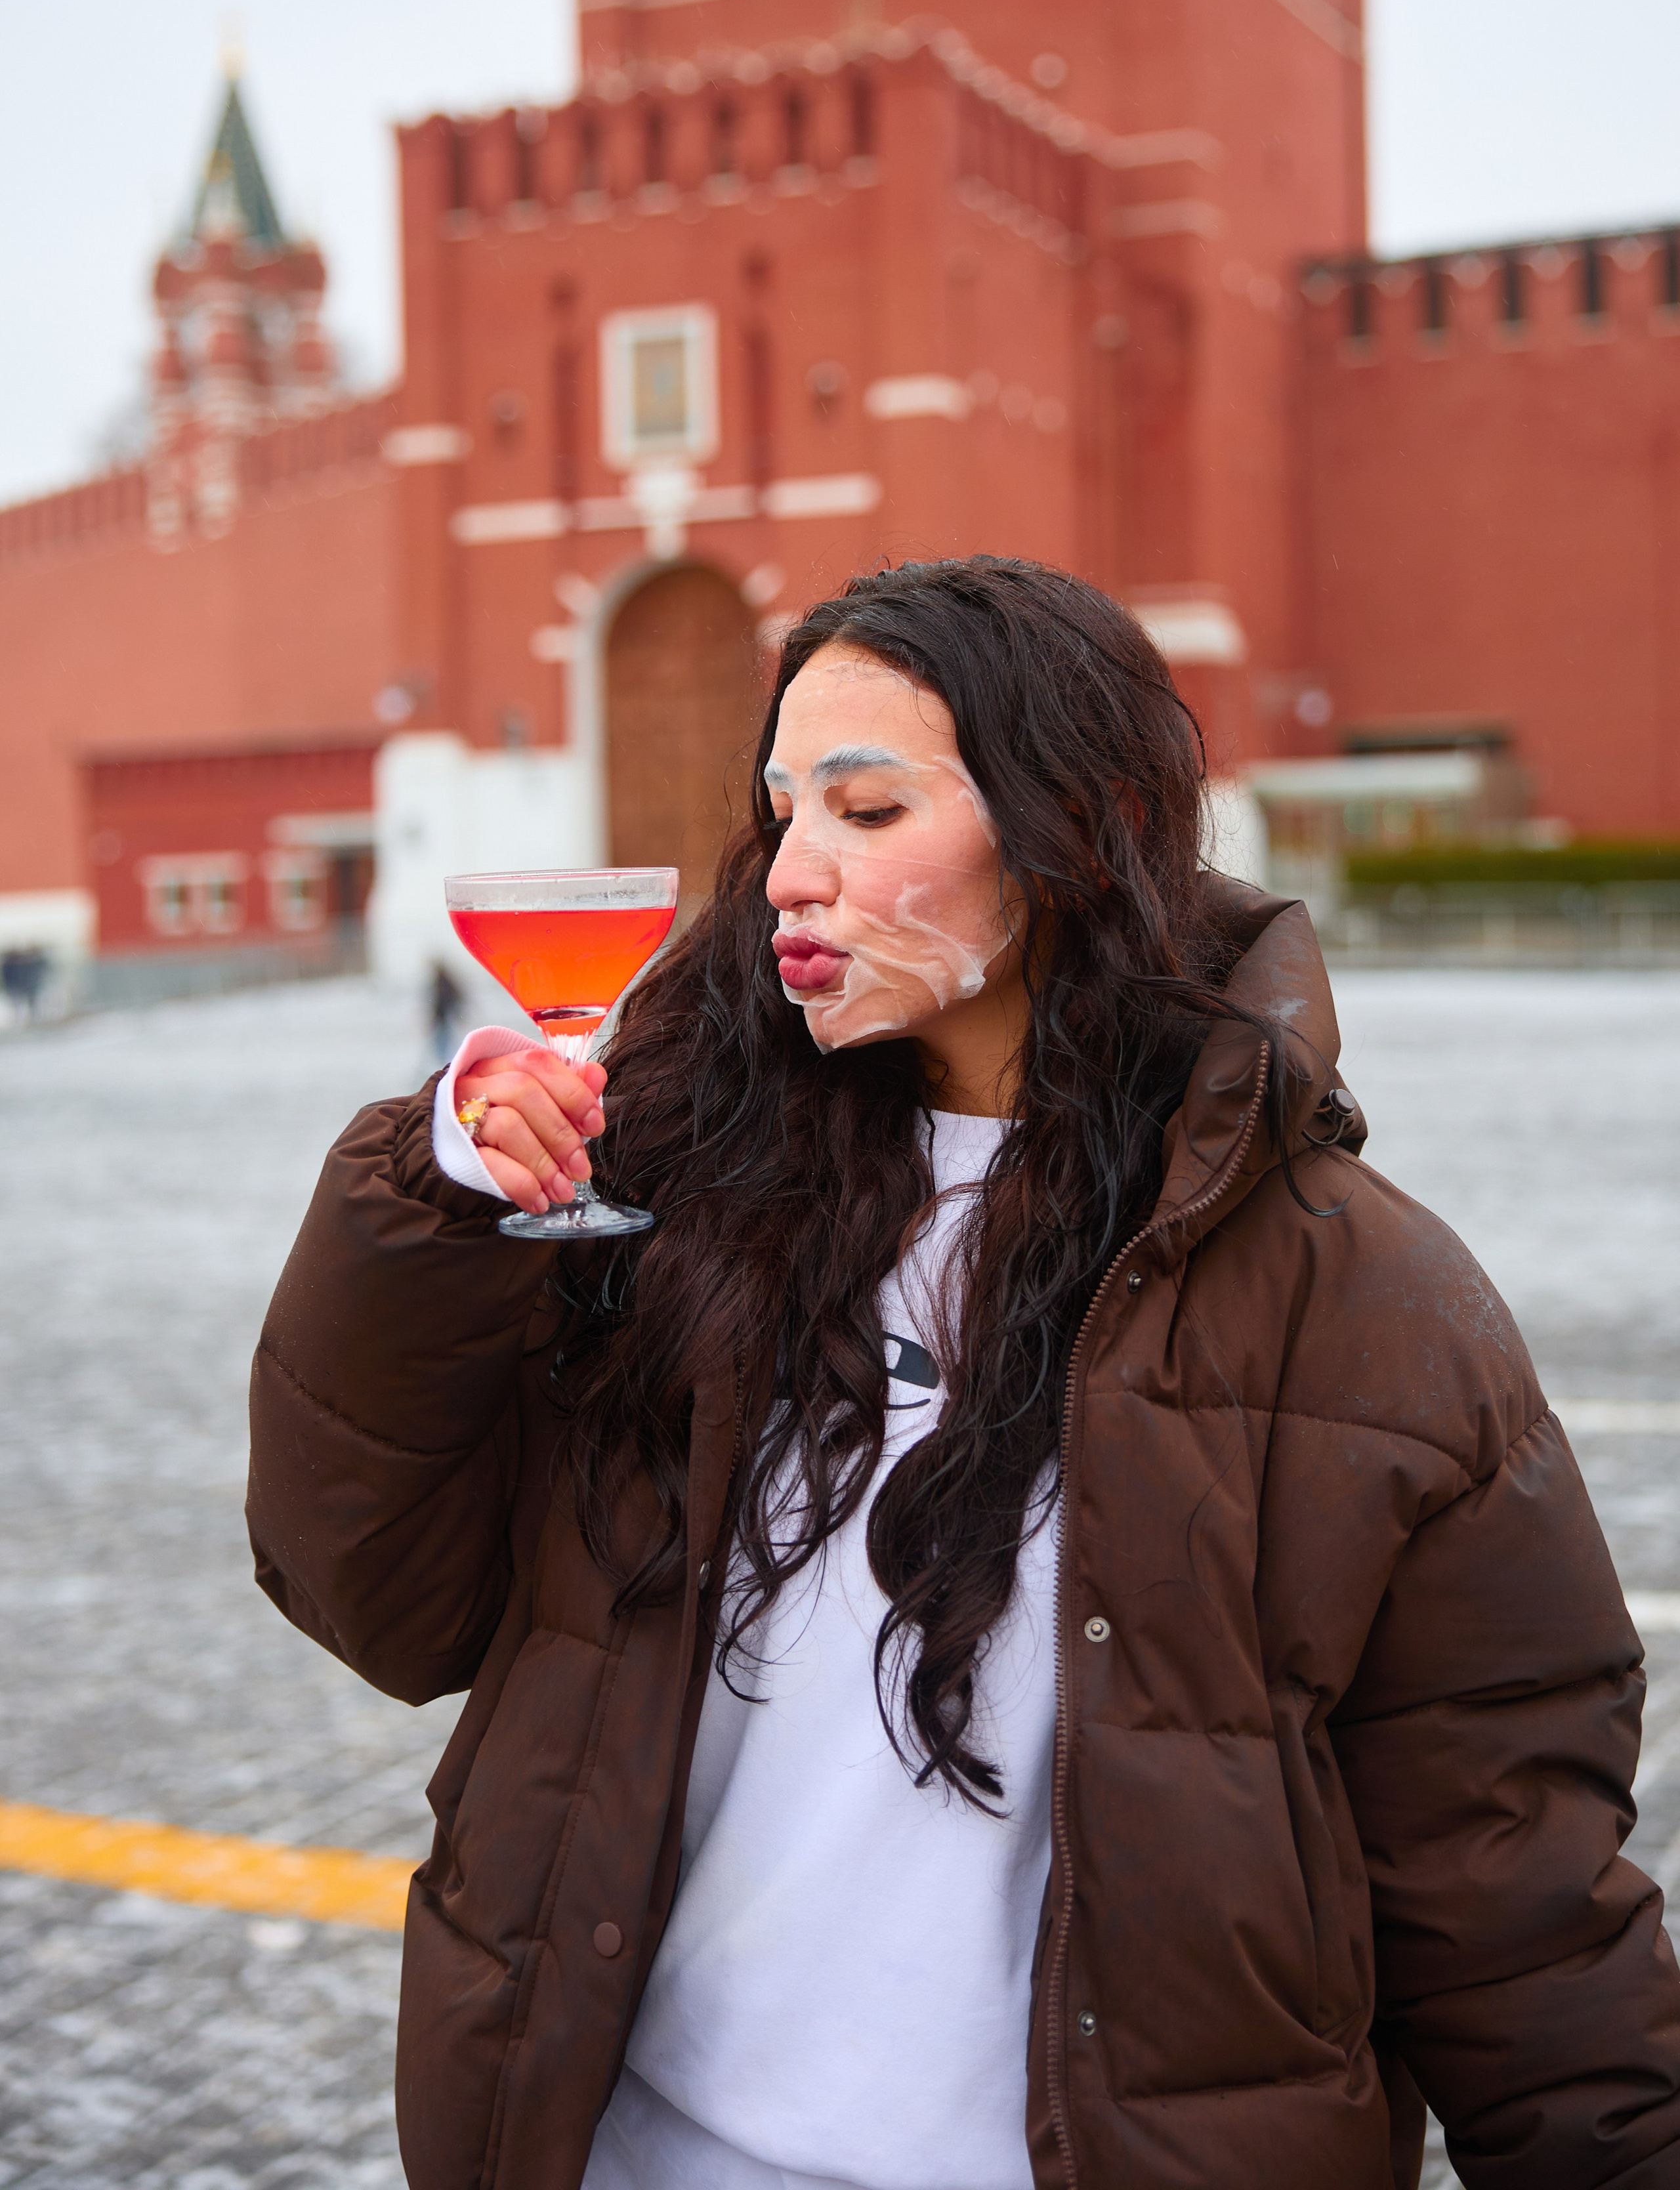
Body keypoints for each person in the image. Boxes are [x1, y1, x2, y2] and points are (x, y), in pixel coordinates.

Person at [248, 558, 1680, 2190]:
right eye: (780, 809)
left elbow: (1510, 1905)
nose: (789, 871)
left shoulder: (1356, 1301)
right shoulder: (668, 1203)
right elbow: (375, 1594)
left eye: (865, 812)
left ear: (1082, 825)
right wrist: (426, 1203)